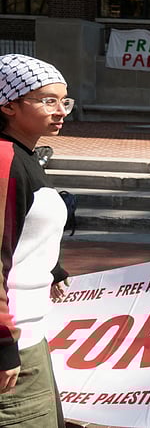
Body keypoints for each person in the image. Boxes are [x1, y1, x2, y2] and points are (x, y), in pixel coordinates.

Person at [0, 54, 74, 427]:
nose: (60, 110)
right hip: (14, 342)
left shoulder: (23, 156)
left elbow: (20, 230)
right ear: (9, 104)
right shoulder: (4, 159)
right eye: (47, 100)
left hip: (28, 333)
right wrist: (3, 346)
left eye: (65, 101)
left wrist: (53, 267)